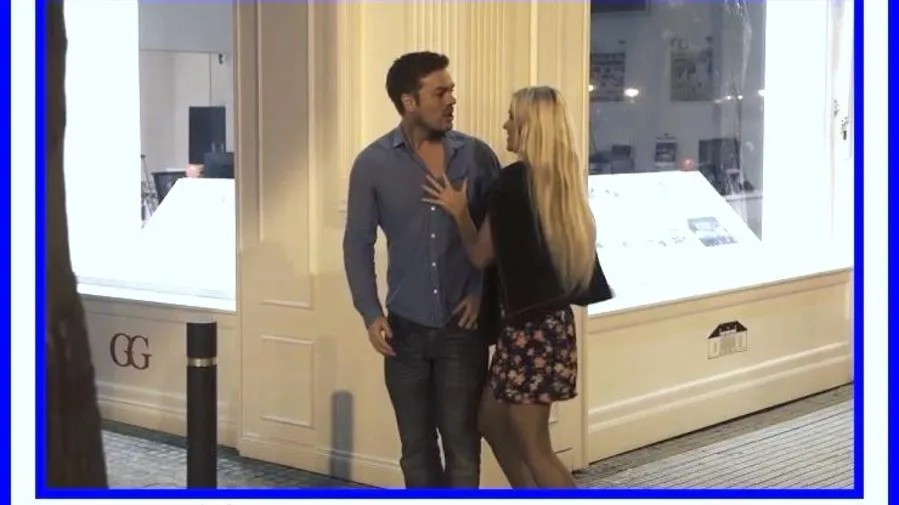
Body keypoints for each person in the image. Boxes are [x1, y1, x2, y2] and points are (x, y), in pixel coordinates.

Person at [422, 86, 614, 488]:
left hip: (530, 331)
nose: (505, 125)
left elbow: (480, 255)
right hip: (547, 327)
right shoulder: (560, 183)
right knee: (491, 420)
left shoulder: (513, 183)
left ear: (530, 127)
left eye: (513, 117)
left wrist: (460, 213)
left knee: (535, 447)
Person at [342, 51, 502, 488]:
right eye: (440, 92)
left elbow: (501, 236)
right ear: (409, 101)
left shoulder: (477, 156)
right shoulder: (372, 164)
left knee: (463, 450)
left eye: (451, 90)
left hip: (462, 330)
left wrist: (480, 291)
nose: (452, 100)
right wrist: (370, 312)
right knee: (416, 451)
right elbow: (357, 242)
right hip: (405, 331)